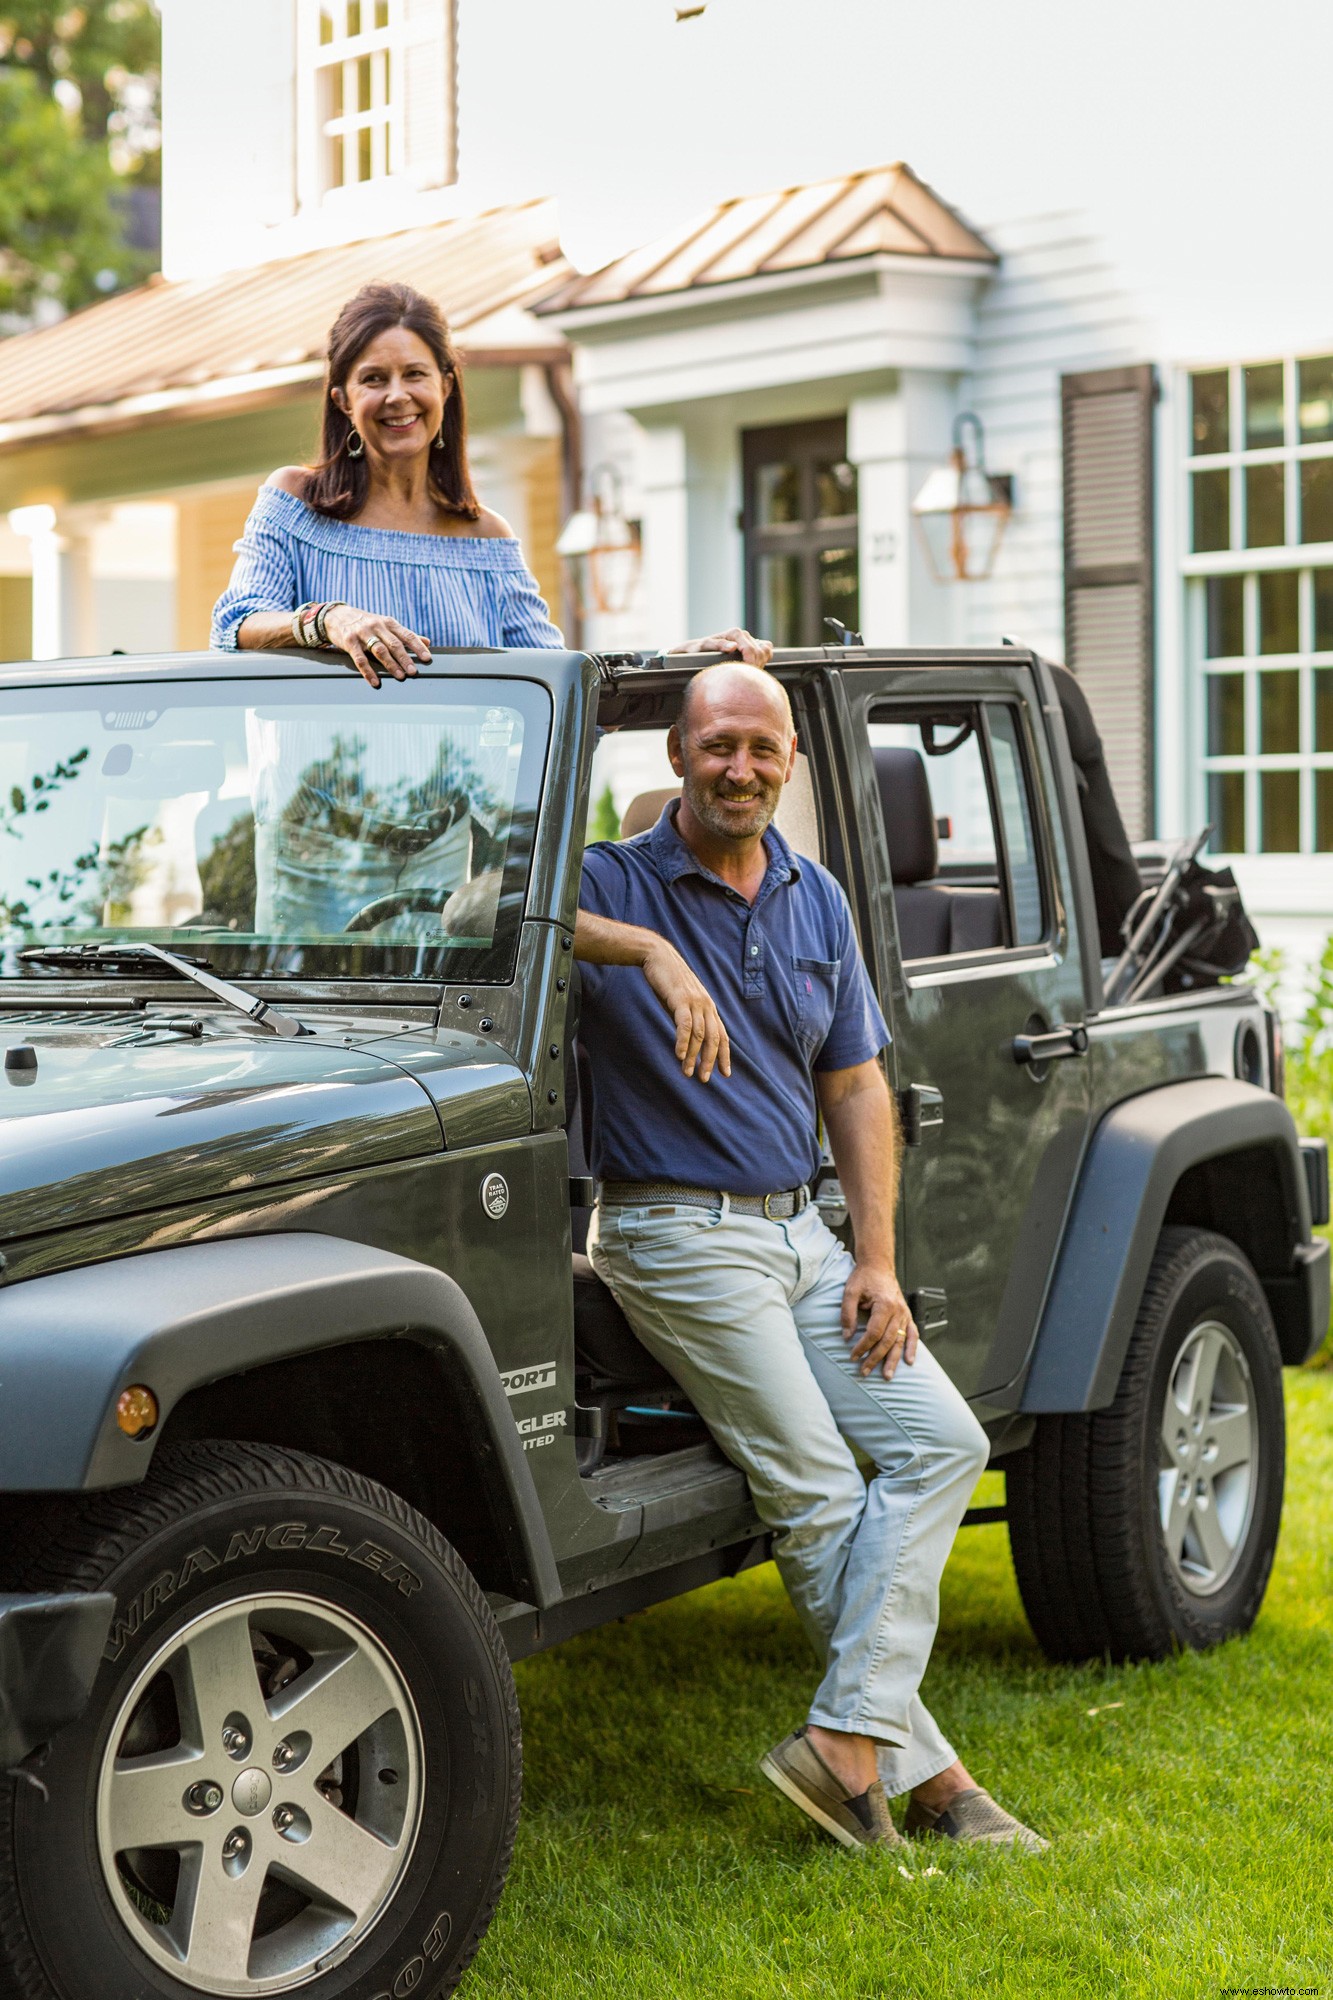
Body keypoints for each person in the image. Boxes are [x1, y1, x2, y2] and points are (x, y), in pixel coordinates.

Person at [572, 662, 1048, 1854]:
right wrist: (649, 955)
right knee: (818, 1490)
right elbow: (486, 912)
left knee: (944, 1440)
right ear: (676, 756)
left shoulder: (813, 892)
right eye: (716, 744)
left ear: (790, 761)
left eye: (761, 748)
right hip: (672, 1231)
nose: (740, 767)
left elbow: (853, 1082)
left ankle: (846, 1740)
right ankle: (934, 1784)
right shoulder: (605, 878)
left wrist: (874, 1261)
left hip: (802, 1234)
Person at [210, 281, 769, 677]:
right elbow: (235, 627)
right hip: (321, 832)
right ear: (343, 400)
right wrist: (329, 620)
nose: (397, 396)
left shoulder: (485, 539)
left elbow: (563, 686)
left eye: (415, 374)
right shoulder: (295, 501)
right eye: (373, 379)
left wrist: (681, 662)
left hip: (467, 833)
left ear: (446, 387)